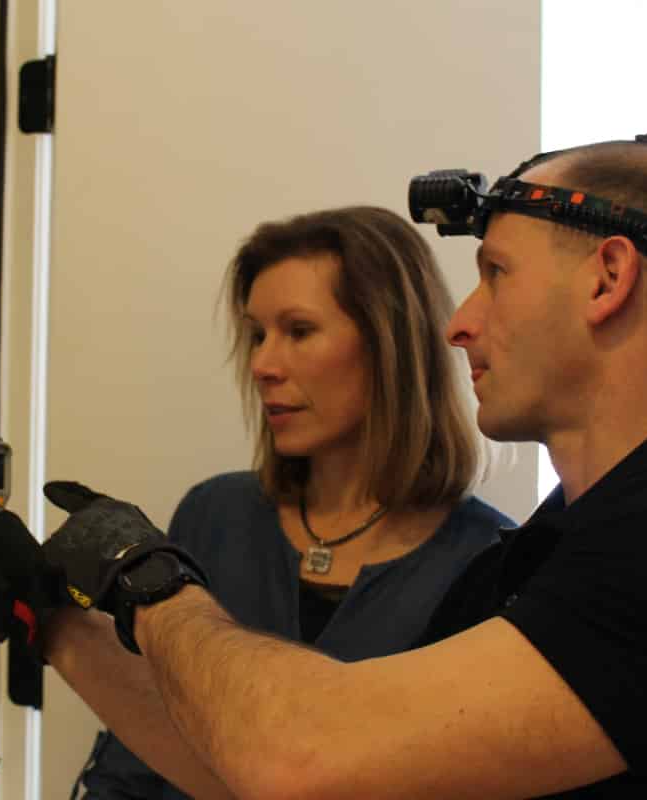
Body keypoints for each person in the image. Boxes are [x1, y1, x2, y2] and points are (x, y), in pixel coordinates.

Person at [0, 135, 647, 798]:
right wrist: (55, 625)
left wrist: (145, 582)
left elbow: (302, 755)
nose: (461, 325)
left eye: (496, 274)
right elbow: (275, 775)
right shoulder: (534, 564)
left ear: (608, 279)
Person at [74, 207, 514, 799]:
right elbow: (128, 771)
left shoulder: (488, 563)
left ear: (390, 344)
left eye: (299, 331)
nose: (262, 364)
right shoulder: (214, 515)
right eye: (258, 334)